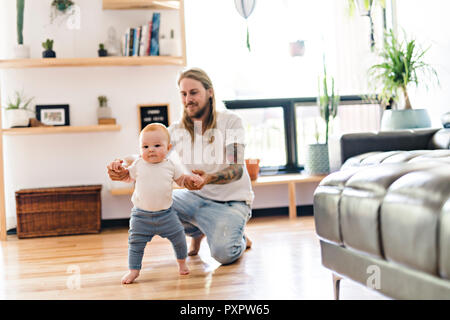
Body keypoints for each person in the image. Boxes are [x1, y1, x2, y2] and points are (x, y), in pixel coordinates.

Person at [108, 67, 254, 266]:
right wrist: (124, 166)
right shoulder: (177, 130)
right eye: (183, 94)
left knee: (224, 254)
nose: (188, 99)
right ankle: (198, 230)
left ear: (209, 92)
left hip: (232, 202)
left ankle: (239, 237)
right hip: (194, 197)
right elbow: (150, 155)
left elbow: (236, 168)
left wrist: (208, 178)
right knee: (153, 203)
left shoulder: (231, 121)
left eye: (193, 92)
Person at [111, 123, 203, 284]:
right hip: (141, 216)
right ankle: (134, 270)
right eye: (145, 146)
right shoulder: (138, 164)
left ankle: (182, 263)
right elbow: (126, 176)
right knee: (135, 243)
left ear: (168, 148)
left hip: (166, 214)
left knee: (179, 237)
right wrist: (120, 168)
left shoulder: (170, 165)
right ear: (140, 149)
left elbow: (181, 180)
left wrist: (190, 179)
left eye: (156, 145)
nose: (151, 149)